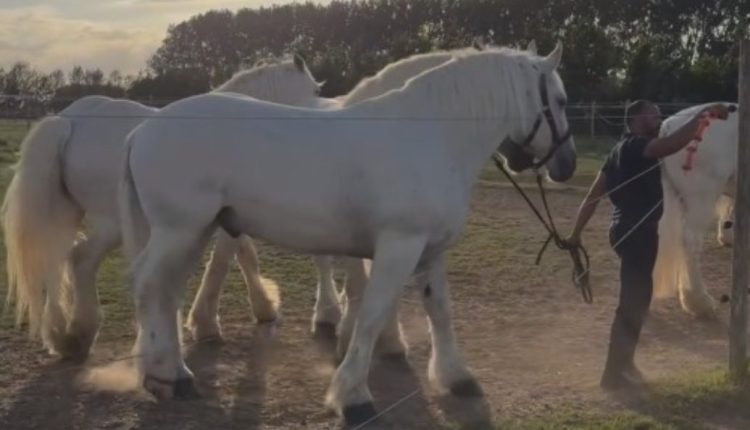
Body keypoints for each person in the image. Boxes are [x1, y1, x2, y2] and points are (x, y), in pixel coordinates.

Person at [564, 100, 730, 390]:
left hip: (624, 232)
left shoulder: (616, 152)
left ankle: (624, 365)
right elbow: (669, 146)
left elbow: (591, 197)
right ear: (638, 118)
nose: (659, 117)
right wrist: (703, 118)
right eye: (653, 113)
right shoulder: (635, 146)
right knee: (632, 303)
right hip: (637, 234)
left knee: (637, 302)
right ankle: (613, 374)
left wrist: (575, 235)